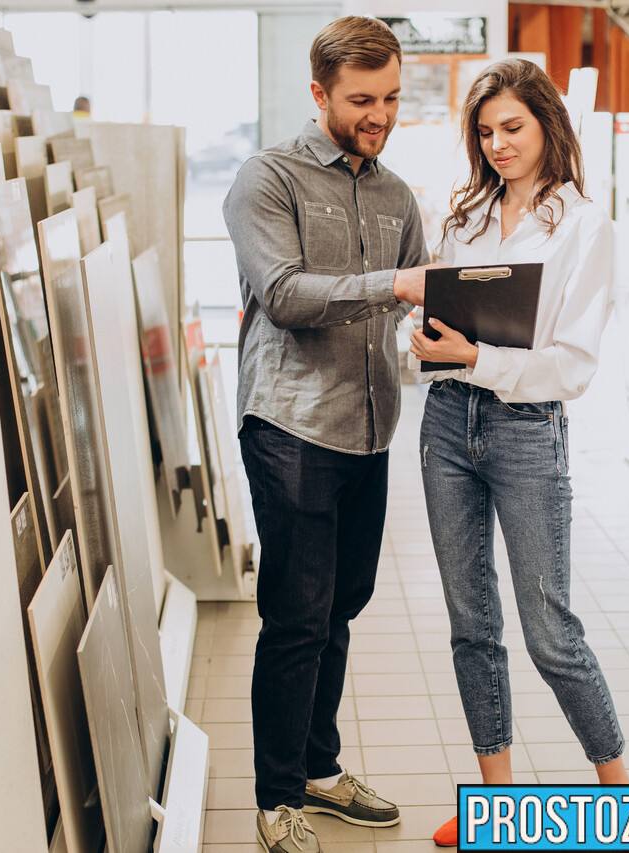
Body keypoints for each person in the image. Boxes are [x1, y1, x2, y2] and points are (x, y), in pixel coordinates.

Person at [221, 16, 435, 853]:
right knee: (296, 617)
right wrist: (397, 283)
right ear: (319, 94)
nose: (378, 114)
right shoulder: (265, 178)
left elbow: (415, 301)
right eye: (360, 100)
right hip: (292, 426)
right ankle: (278, 796)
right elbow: (283, 293)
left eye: (388, 97)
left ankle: (317, 764)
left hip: (369, 427)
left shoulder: (397, 195)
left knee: (342, 606)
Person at [406, 58, 629, 847]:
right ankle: (495, 806)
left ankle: (624, 800)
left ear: (548, 126)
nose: (498, 144)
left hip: (526, 429)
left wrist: (477, 358)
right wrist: (432, 347)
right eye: (486, 131)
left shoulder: (583, 227)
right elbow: (444, 329)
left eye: (513, 128)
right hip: (445, 423)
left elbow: (570, 365)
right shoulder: (466, 215)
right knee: (472, 622)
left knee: (550, 631)